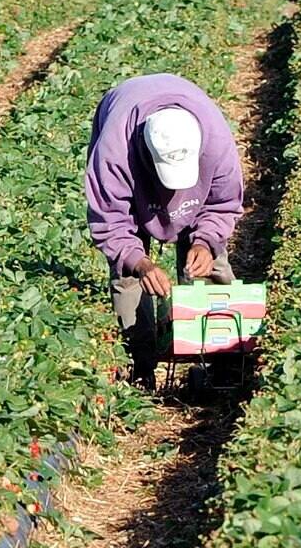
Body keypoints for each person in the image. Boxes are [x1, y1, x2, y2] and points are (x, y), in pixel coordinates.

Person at [84, 73, 246, 385]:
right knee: (127, 275)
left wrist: (205, 242)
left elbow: (223, 203)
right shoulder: (115, 151)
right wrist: (140, 262)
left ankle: (226, 359)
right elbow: (110, 220)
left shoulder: (216, 143)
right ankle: (140, 366)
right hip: (124, 117)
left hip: (192, 125)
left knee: (210, 263)